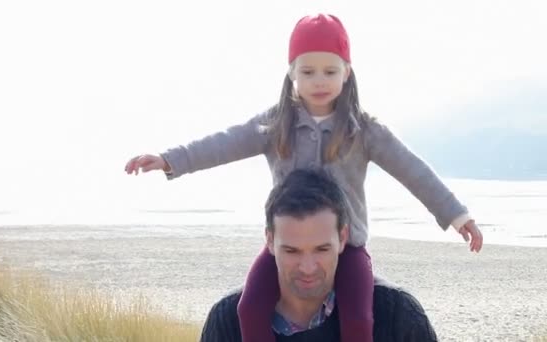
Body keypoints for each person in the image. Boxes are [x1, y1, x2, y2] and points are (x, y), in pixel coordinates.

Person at [125, 13, 482, 342]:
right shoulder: (275, 124)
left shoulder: (363, 130)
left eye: (330, 70)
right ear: (292, 74)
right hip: (288, 242)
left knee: (358, 318)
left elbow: (413, 171)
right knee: (248, 309)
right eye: (308, 71)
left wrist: (457, 216)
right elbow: (223, 144)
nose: (319, 81)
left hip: (349, 246)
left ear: (347, 72)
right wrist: (171, 160)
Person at [199, 169, 438, 342]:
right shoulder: (227, 321)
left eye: (322, 249)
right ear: (270, 241)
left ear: (343, 238)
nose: (308, 267)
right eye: (292, 250)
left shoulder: (397, 314)